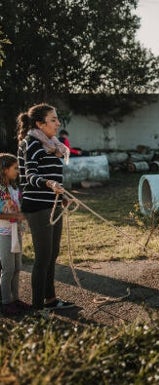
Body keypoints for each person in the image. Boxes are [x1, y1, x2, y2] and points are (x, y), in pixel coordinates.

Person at [17, 103, 75, 312]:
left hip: (52, 204)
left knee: (53, 254)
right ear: (40, 124)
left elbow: (52, 173)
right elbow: (29, 176)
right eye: (53, 119)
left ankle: (50, 300)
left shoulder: (53, 144)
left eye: (57, 119)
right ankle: (37, 308)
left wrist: (61, 196)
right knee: (43, 257)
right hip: (37, 205)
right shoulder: (31, 143)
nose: (58, 123)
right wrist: (49, 184)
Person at [0, 153, 29, 316]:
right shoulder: (0, 190)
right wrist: (14, 216)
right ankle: (6, 301)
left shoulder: (14, 188)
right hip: (3, 233)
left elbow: (19, 207)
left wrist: (22, 214)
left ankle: (15, 298)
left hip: (17, 232)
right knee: (8, 268)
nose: (17, 171)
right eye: (15, 168)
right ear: (4, 170)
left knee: (17, 267)